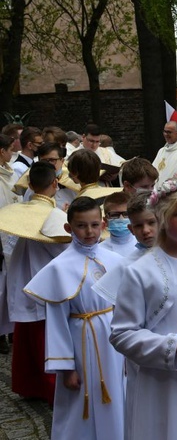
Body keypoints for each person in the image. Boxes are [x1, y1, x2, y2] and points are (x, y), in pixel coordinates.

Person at [110, 175, 177, 439]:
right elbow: (122, 334)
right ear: (162, 217)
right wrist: (171, 344)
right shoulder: (141, 272)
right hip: (162, 383)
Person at [23, 196, 126, 440]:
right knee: (81, 402)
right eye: (81, 225)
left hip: (113, 341)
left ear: (103, 225)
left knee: (118, 396)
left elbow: (126, 308)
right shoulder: (59, 268)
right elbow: (57, 322)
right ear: (69, 228)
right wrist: (65, 368)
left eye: (93, 225)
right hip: (81, 342)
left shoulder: (117, 261)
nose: (88, 231)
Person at [0, 162, 71, 403]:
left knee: (27, 339)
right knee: (44, 340)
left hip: (23, 282)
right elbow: (67, 251)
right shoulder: (56, 216)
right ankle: (50, 389)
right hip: (47, 286)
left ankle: (27, 384)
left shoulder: (19, 212)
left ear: (30, 185)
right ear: (55, 183)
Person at [0, 134, 20, 353]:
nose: (11, 154)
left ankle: (13, 328)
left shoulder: (10, 172)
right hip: (1, 235)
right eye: (9, 150)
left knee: (11, 285)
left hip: (11, 233)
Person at [153, 121, 177, 185]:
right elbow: (152, 171)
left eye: (169, 132)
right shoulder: (161, 151)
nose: (166, 134)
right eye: (165, 131)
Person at [100, 192, 137, 257]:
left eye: (126, 214)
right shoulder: (100, 250)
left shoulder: (144, 245)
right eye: (114, 215)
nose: (121, 219)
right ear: (105, 220)